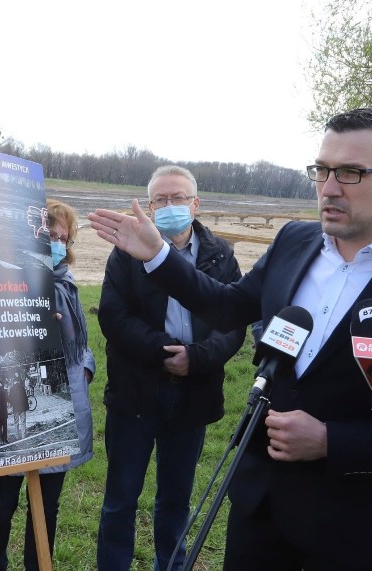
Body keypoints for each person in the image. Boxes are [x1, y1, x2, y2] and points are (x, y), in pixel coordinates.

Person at [89, 106, 372, 570]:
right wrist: (157, 255)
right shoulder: (295, 241)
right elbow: (228, 307)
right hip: (259, 508)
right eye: (322, 170)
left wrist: (333, 440)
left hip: (355, 526)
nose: (329, 188)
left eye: (351, 173)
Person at [96, 166, 245, 571]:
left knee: (176, 499)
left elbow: (233, 324)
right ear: (149, 207)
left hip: (193, 394)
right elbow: (113, 317)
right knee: (120, 500)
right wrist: (166, 352)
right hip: (136, 393)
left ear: (196, 204)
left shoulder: (220, 255)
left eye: (177, 198)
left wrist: (195, 358)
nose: (169, 206)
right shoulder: (126, 253)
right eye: (160, 200)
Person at [0, 198, 96, 570]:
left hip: (64, 410)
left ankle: (38, 565)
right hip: (18, 403)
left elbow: (82, 343)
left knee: (48, 503)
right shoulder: (6, 282)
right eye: (49, 235)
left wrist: (84, 370)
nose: (56, 243)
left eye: (62, 238)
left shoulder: (67, 284)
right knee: (3, 500)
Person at [9, 375, 29, 440]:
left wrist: (12, 405)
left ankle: (17, 436)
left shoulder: (12, 389)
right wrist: (27, 407)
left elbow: (10, 399)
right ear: (18, 382)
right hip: (23, 408)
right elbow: (25, 398)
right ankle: (23, 435)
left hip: (16, 408)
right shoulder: (22, 388)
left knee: (16, 422)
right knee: (23, 422)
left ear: (14, 381)